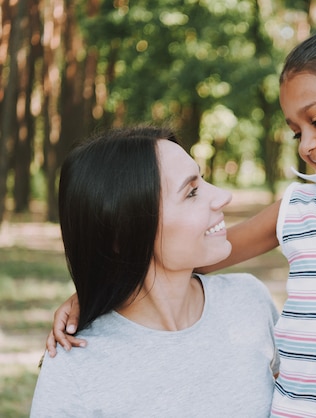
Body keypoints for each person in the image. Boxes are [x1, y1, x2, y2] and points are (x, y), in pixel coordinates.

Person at [46, 27, 316, 417]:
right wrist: (100, 291)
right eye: (297, 132)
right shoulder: (298, 207)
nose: (307, 145)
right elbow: (197, 253)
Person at [31, 126, 279, 417]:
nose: (223, 196)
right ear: (123, 234)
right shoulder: (75, 367)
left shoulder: (249, 302)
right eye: (192, 192)